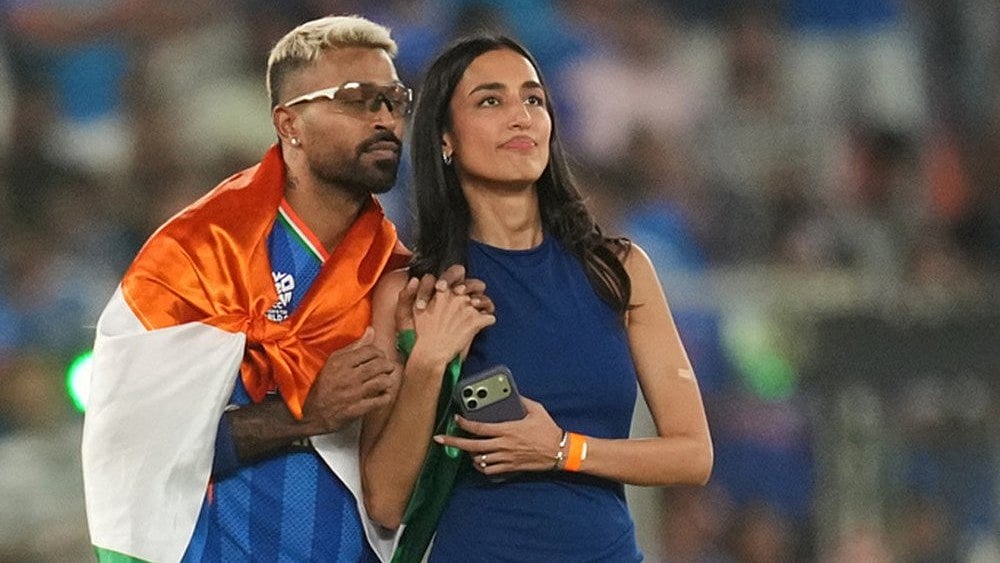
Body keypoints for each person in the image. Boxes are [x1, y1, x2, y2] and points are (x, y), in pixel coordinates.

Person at [81, 15, 489, 563]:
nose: (386, 119)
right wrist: (305, 416)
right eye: (357, 100)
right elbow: (132, 444)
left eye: (393, 100)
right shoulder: (199, 255)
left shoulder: (398, 278)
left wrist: (441, 356)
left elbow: (400, 492)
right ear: (290, 123)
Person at [364, 34, 714, 562]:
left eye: (533, 99)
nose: (521, 116)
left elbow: (692, 456)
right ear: (444, 139)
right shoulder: (413, 292)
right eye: (490, 100)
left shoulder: (620, 270)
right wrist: (430, 362)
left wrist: (559, 449)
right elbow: (386, 503)